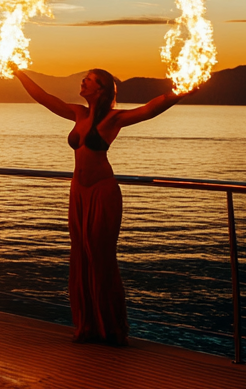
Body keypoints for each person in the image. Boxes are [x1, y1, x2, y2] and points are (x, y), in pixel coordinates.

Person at [14, 67, 183, 345]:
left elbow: (151, 109)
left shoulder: (115, 119)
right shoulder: (78, 114)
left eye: (89, 80)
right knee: (80, 256)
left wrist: (181, 91)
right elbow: (44, 98)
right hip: (78, 192)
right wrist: (19, 74)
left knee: (100, 258)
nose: (83, 81)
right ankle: (87, 326)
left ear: (101, 89)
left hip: (102, 192)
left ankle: (111, 329)